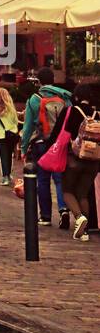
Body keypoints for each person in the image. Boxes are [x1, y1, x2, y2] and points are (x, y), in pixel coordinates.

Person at [46, 82, 100, 241]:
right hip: (93, 160)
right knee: (83, 194)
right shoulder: (97, 113)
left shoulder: (71, 111)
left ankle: (79, 218)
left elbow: (58, 134)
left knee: (67, 191)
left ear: (76, 96)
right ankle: (84, 232)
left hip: (74, 159)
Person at [21, 65, 71, 228]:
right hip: (60, 144)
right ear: (53, 80)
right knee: (59, 179)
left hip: (41, 143)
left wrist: (23, 148)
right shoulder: (64, 97)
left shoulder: (34, 99)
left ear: (39, 81)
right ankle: (64, 210)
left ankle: (46, 216)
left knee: (42, 180)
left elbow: (28, 127)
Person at [0, 85, 19, 185]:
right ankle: (9, 175)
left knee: (3, 156)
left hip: (1, 135)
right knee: (10, 155)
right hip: (12, 134)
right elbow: (15, 121)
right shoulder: (11, 108)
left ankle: (5, 177)